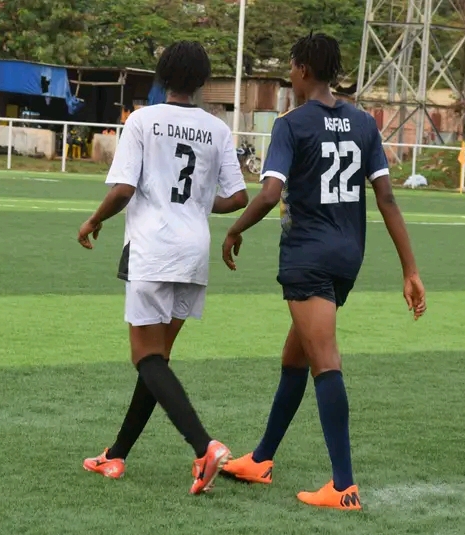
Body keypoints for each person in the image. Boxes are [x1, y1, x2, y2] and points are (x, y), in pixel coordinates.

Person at [220, 33, 427, 510]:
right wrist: (410, 269)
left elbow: (270, 194)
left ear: (303, 70)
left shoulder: (292, 124)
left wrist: (234, 229)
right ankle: (261, 459)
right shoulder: (364, 123)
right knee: (295, 357)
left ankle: (343, 485)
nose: (290, 76)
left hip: (307, 256)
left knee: (325, 361)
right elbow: (387, 198)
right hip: (346, 257)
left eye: (292, 68)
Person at [77, 41, 248, 495]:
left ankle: (204, 446)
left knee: (146, 357)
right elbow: (238, 197)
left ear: (162, 76)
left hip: (152, 248)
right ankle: (116, 455)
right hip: (194, 251)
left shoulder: (143, 120)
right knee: (158, 361)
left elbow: (123, 190)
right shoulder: (217, 129)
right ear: (203, 81)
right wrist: (197, 203)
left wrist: (93, 220)